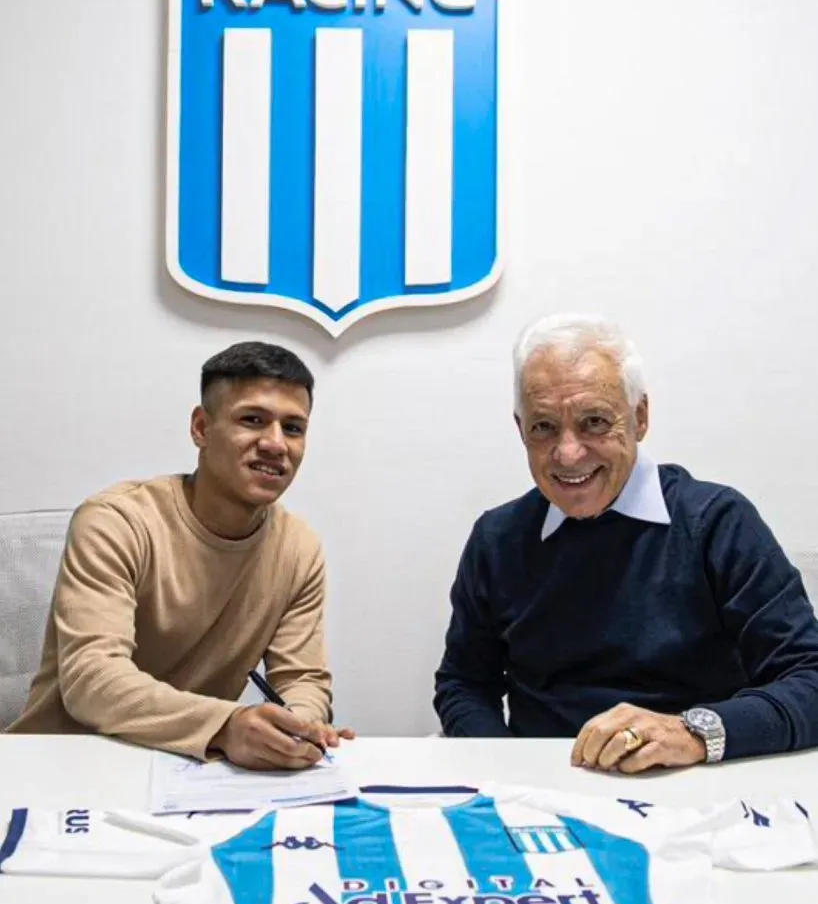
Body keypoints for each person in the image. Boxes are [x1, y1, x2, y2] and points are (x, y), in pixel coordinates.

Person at [434, 314, 818, 772]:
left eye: (594, 422)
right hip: (541, 797)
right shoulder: (496, 540)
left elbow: (809, 680)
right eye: (543, 428)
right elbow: (463, 684)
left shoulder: (718, 523)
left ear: (639, 417)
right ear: (521, 430)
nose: (568, 453)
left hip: (691, 791)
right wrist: (508, 770)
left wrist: (692, 732)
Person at [7, 342, 353, 769]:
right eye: (252, 420)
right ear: (201, 428)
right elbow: (91, 680)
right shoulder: (117, 521)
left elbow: (302, 679)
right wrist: (228, 725)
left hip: (186, 774)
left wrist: (296, 727)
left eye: (294, 428)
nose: (276, 444)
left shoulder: (299, 548)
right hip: (60, 769)